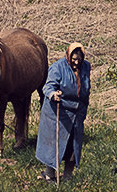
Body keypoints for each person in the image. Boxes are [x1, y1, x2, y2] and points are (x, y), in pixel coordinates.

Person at [36, 43, 90, 183]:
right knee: (53, 144)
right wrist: (54, 94)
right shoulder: (58, 67)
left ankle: (67, 176)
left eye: (79, 60)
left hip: (76, 112)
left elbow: (85, 88)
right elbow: (48, 86)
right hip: (58, 111)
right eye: (73, 60)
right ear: (68, 56)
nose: (76, 63)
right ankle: (49, 174)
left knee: (73, 145)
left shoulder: (86, 67)